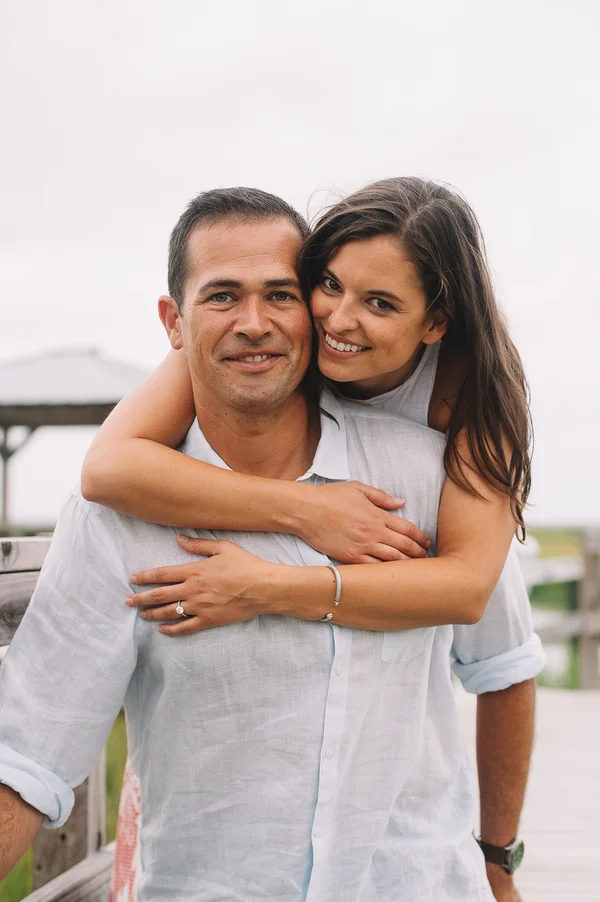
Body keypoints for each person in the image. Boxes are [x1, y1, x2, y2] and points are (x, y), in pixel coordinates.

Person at [0, 188, 540, 900]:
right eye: (222, 297)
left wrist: (497, 863)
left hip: (416, 882)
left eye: (279, 295)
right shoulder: (117, 512)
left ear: (434, 322)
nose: (254, 324)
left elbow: (497, 650)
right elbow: (30, 751)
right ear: (173, 322)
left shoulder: (442, 465)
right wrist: (303, 512)